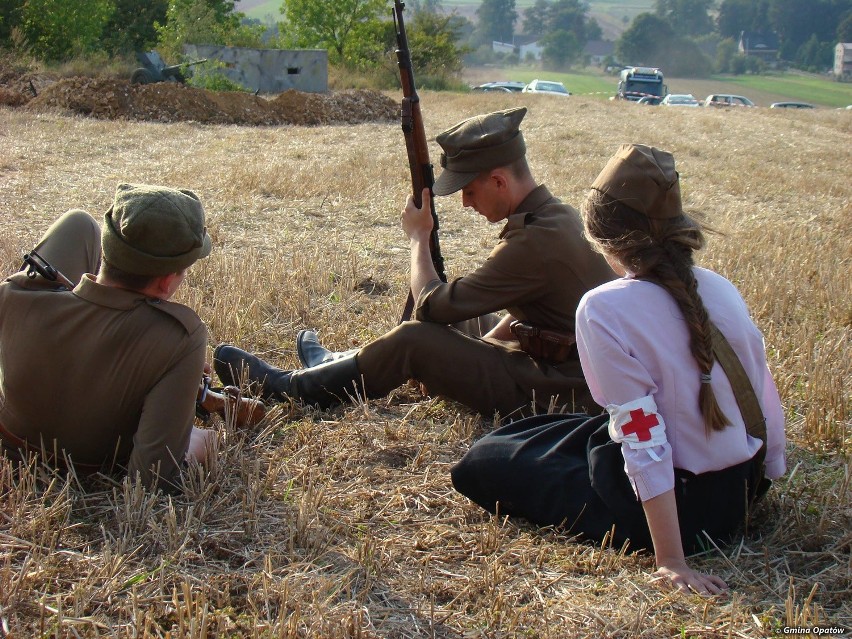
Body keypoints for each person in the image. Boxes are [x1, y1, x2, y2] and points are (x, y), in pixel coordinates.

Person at [450, 144, 786, 594]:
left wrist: (671, 559)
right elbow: (763, 393)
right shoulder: (721, 288)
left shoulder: (603, 307)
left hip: (685, 508)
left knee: (481, 463)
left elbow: (642, 434)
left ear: (602, 235)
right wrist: (755, 492)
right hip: (740, 490)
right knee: (544, 433)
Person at [213, 107, 615, 419]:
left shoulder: (536, 240)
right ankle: (339, 365)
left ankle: (296, 388)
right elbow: (541, 314)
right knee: (463, 322)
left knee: (416, 338)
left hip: (560, 394)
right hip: (566, 369)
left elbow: (430, 304)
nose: (465, 202)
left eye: (470, 190)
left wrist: (418, 238)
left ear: (498, 181)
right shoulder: (556, 216)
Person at [0, 183, 218, 490]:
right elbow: (152, 479)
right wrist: (201, 443)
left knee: (77, 222)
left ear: (106, 248)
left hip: (10, 439)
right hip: (92, 465)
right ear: (167, 281)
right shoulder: (180, 337)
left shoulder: (16, 294)